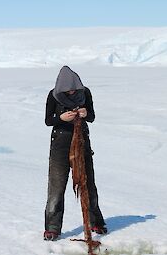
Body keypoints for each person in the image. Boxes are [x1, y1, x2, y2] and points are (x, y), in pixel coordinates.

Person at [44, 65, 107, 241]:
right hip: (60, 144)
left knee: (88, 184)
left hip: (82, 142)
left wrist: (85, 113)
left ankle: (96, 222)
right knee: (56, 188)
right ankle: (52, 228)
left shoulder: (84, 93)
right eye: (67, 91)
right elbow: (49, 121)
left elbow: (92, 116)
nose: (71, 93)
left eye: (73, 90)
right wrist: (61, 119)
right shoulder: (53, 95)